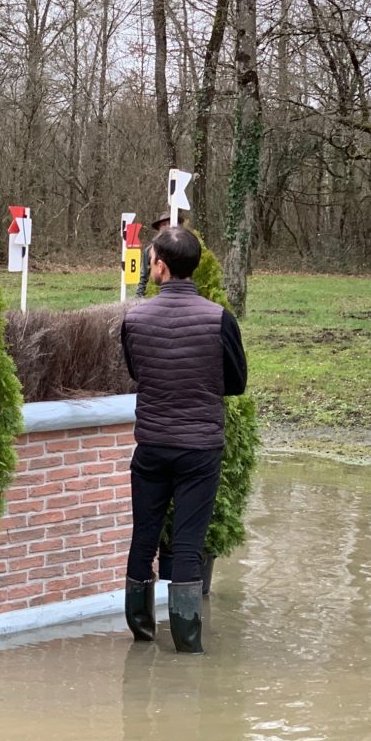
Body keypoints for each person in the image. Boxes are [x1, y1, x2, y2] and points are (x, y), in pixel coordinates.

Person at [119, 226, 247, 654]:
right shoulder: (219, 318)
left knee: (144, 536)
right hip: (200, 448)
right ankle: (187, 644)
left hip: (152, 444)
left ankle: (141, 633)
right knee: (189, 543)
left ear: (161, 265)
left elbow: (138, 371)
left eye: (152, 257)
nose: (150, 263)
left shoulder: (134, 318)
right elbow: (236, 382)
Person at [135, 211, 184, 298]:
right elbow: (144, 277)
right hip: (157, 295)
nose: (168, 226)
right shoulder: (150, 250)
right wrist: (139, 297)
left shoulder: (186, 247)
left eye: (170, 223)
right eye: (164, 224)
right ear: (159, 228)